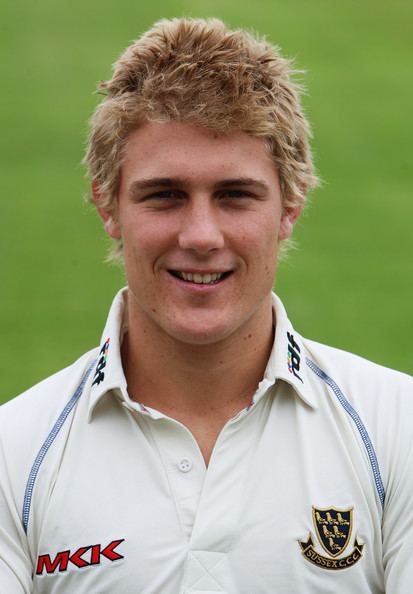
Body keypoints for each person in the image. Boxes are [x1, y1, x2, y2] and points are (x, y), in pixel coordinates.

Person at [0, 17, 412, 594]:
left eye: (235, 196)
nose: (200, 235)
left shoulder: (398, 430)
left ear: (289, 206)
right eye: (164, 195)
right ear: (108, 205)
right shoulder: (15, 454)